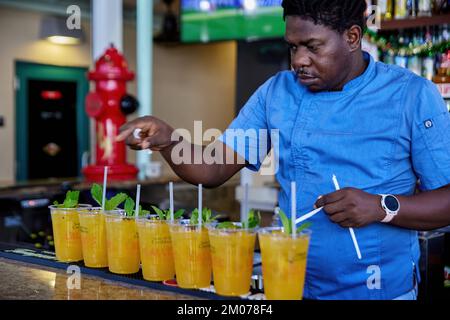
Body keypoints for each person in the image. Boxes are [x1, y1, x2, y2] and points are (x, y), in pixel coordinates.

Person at [116, 0, 450, 300]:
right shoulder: (277, 92)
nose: (299, 61)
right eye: (292, 47)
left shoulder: (411, 95)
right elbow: (212, 167)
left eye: (312, 46)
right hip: (293, 286)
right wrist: (168, 140)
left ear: (351, 37)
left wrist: (382, 206)